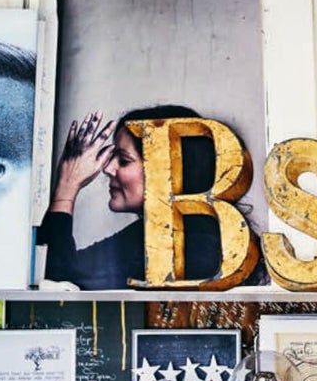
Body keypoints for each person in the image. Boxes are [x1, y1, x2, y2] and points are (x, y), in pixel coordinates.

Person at [38, 104, 267, 289]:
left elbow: (59, 283)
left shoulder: (172, 239)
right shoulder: (203, 231)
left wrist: (66, 188)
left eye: (123, 160)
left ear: (167, 170)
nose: (108, 169)